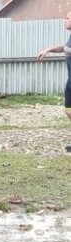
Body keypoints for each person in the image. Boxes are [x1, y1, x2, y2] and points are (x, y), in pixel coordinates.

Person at [37, 10, 71, 153]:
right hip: (70, 82)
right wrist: (49, 49)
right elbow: (63, 47)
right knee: (68, 111)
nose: (65, 20)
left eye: (68, 18)